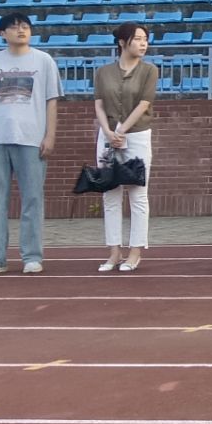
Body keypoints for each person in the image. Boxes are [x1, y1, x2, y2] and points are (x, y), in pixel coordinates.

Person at [0, 12, 61, 275]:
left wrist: (50, 135)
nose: (21, 30)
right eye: (14, 27)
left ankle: (32, 256)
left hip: (31, 139)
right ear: (2, 33)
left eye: (25, 27)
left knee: (32, 199)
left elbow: (52, 101)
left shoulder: (44, 61)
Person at [93, 21, 156, 272]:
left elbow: (144, 103)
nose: (143, 44)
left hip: (137, 135)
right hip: (107, 136)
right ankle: (113, 252)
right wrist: (109, 132)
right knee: (110, 194)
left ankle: (135, 252)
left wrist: (121, 131)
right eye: (137, 39)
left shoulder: (149, 70)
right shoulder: (103, 72)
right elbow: (99, 104)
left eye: (145, 39)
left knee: (138, 194)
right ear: (122, 42)